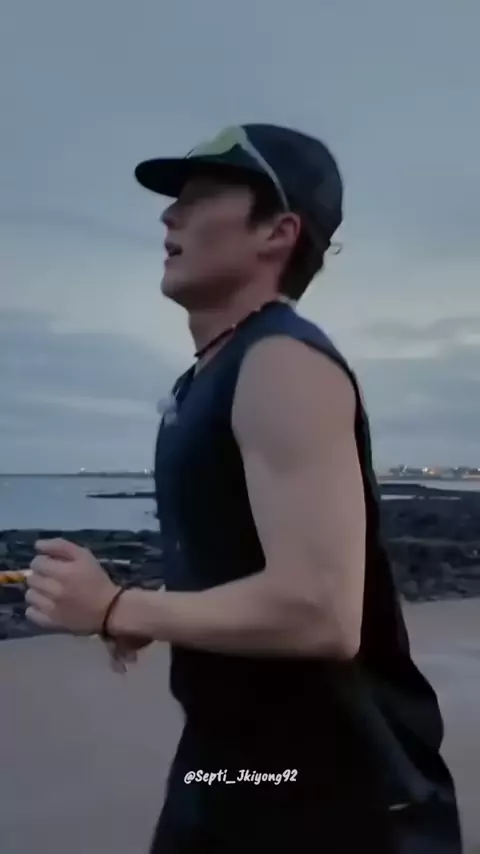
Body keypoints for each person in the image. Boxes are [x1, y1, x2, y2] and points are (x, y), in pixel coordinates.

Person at [25, 124, 463, 853]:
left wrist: (117, 605)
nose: (169, 216)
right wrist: (156, 610)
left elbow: (320, 612)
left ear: (277, 232)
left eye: (199, 198)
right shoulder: (207, 378)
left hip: (331, 794)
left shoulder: (282, 363)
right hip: (232, 766)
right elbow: (248, 563)